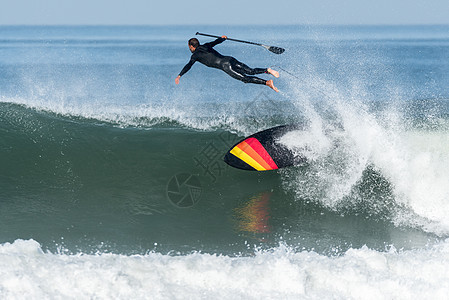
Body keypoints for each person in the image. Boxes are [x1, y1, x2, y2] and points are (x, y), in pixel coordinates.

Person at [175, 36, 279, 92]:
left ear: (191, 46)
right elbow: (216, 41)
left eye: (189, 47)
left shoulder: (195, 55)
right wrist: (223, 38)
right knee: (250, 70)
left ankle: (268, 83)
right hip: (229, 59)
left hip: (225, 66)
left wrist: (179, 75)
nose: (189, 49)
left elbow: (188, 65)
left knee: (245, 79)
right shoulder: (206, 45)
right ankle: (267, 70)